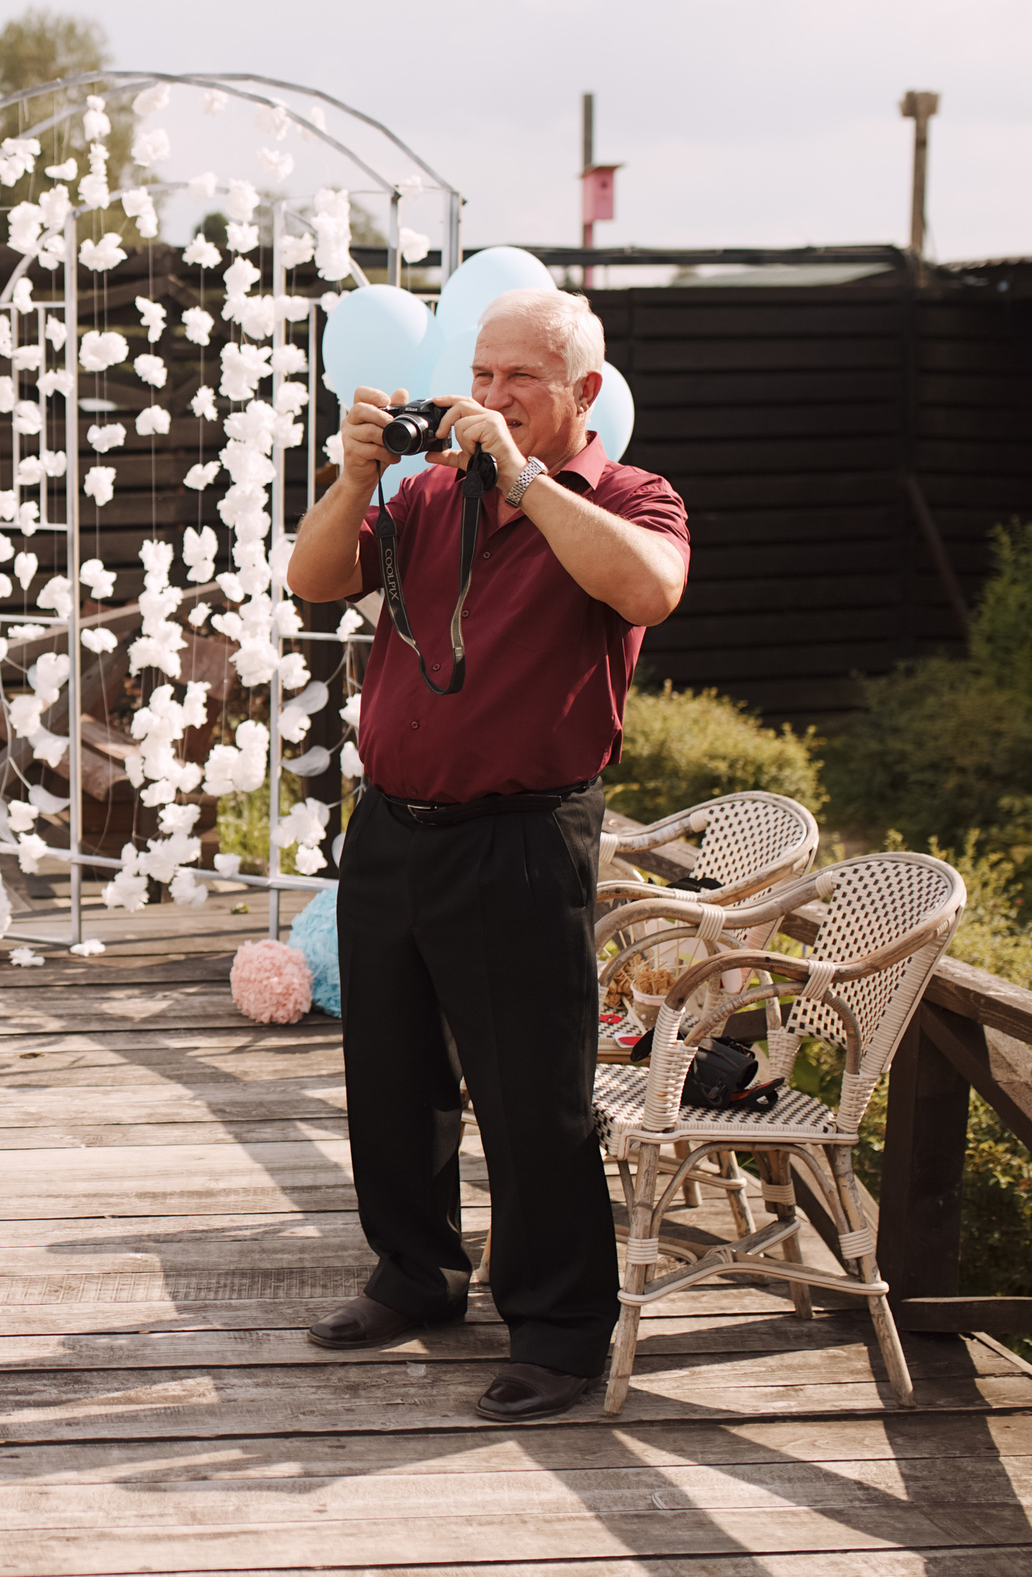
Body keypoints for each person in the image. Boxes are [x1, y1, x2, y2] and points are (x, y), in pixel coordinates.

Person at [285, 287, 689, 1423]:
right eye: (481, 372)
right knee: (393, 1083)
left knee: (531, 1099)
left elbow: (647, 588)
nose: (491, 396)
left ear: (583, 393)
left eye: (520, 379)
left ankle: (559, 1334)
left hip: (520, 836)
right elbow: (313, 578)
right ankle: (415, 1279)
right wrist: (357, 475)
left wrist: (524, 479)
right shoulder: (421, 495)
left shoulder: (630, 498)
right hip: (392, 832)